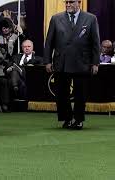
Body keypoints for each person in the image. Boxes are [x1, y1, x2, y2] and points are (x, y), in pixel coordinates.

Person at [44, 0, 100, 130]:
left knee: (80, 93)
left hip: (82, 62)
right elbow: (49, 42)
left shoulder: (91, 18)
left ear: (79, 2)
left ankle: (78, 119)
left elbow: (95, 43)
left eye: (71, 2)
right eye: (66, 2)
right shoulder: (56, 18)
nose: (68, 4)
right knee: (62, 93)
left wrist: (95, 63)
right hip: (61, 62)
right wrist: (47, 61)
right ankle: (67, 119)